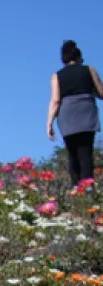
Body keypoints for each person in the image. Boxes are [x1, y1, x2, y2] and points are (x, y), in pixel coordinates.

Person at [47, 40, 103, 188]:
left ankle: (75, 188)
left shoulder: (56, 76)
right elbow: (101, 92)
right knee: (86, 152)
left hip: (67, 116)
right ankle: (88, 188)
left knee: (72, 153)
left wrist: (49, 123)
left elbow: (55, 100)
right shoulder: (89, 70)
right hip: (86, 114)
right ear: (79, 56)